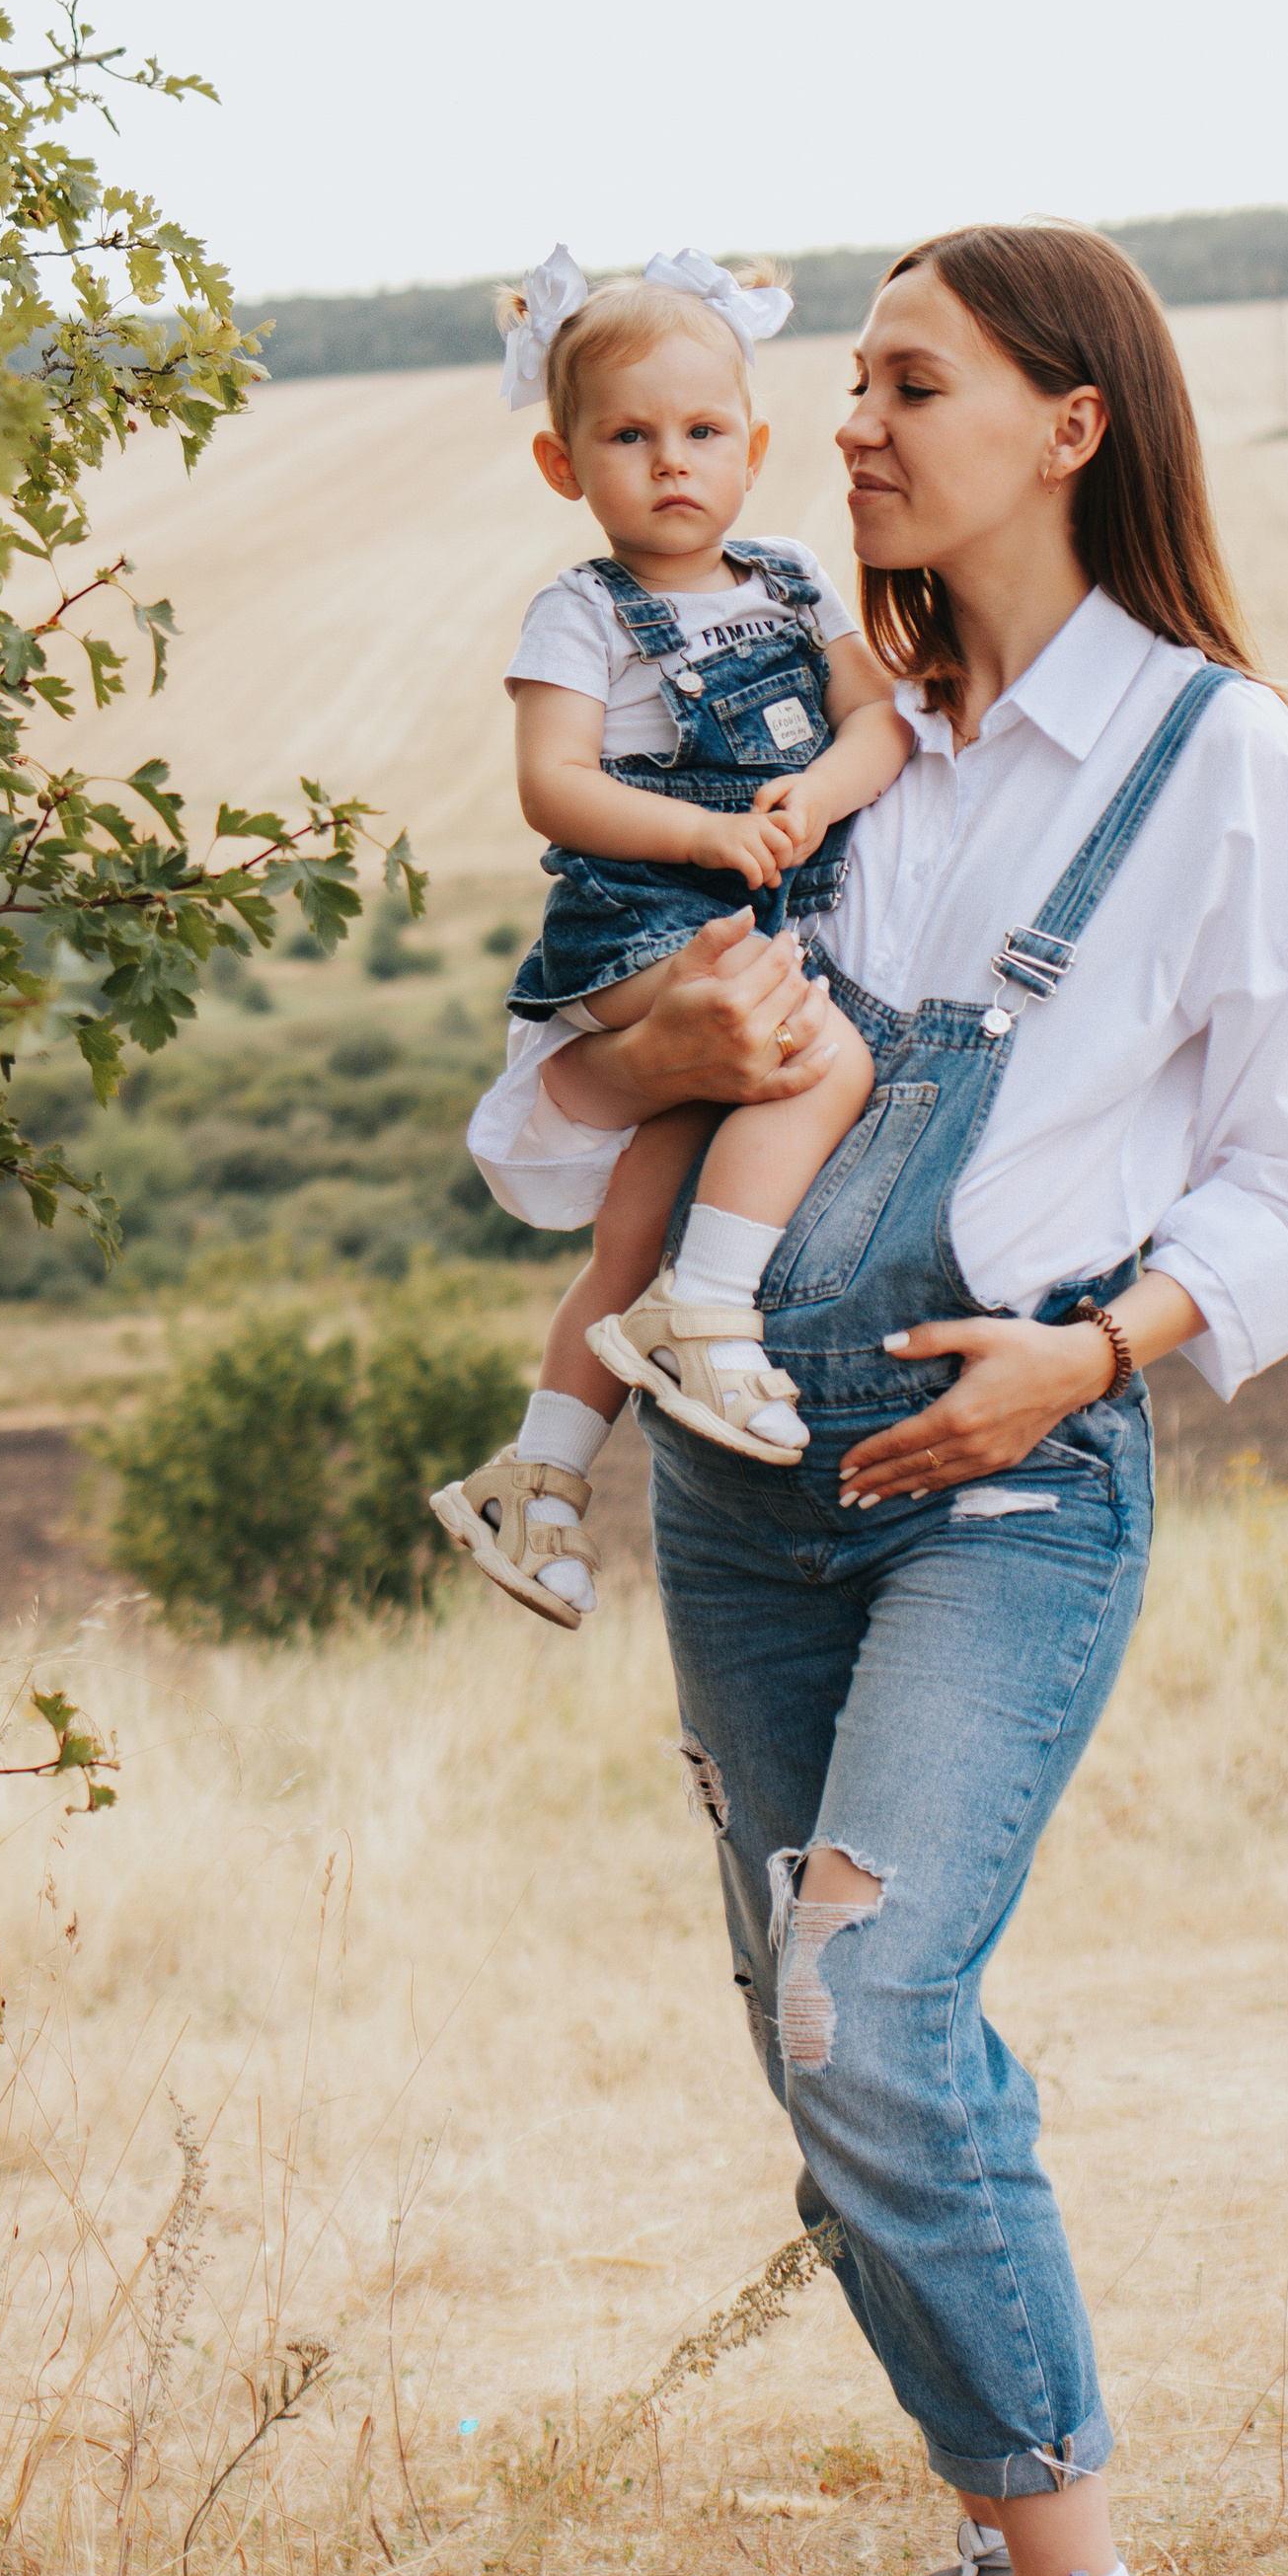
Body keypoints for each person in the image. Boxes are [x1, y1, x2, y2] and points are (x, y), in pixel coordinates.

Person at [465, 223, 1288, 2576]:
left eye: (903, 382)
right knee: (834, 2048)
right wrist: (645, 1036)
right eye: (839, 382)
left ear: (1070, 420)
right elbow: (546, 1142)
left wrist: (1094, 1356)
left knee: (873, 2016)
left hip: (1005, 1464)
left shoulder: (1212, 758)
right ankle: (997, 2562)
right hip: (742, 1476)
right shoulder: (781, 714)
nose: (837, 425)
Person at [432, 245, 913, 1629]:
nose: (670, 464)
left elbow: (875, 721)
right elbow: (556, 786)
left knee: (636, 1214)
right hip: (639, 916)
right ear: (561, 465)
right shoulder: (579, 613)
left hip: (736, 894)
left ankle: (536, 1477)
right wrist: (706, 838)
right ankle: (706, 1317)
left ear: (754, 449)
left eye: (702, 432)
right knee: (818, 1061)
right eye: (628, 438)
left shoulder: (793, 578)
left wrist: (815, 792)